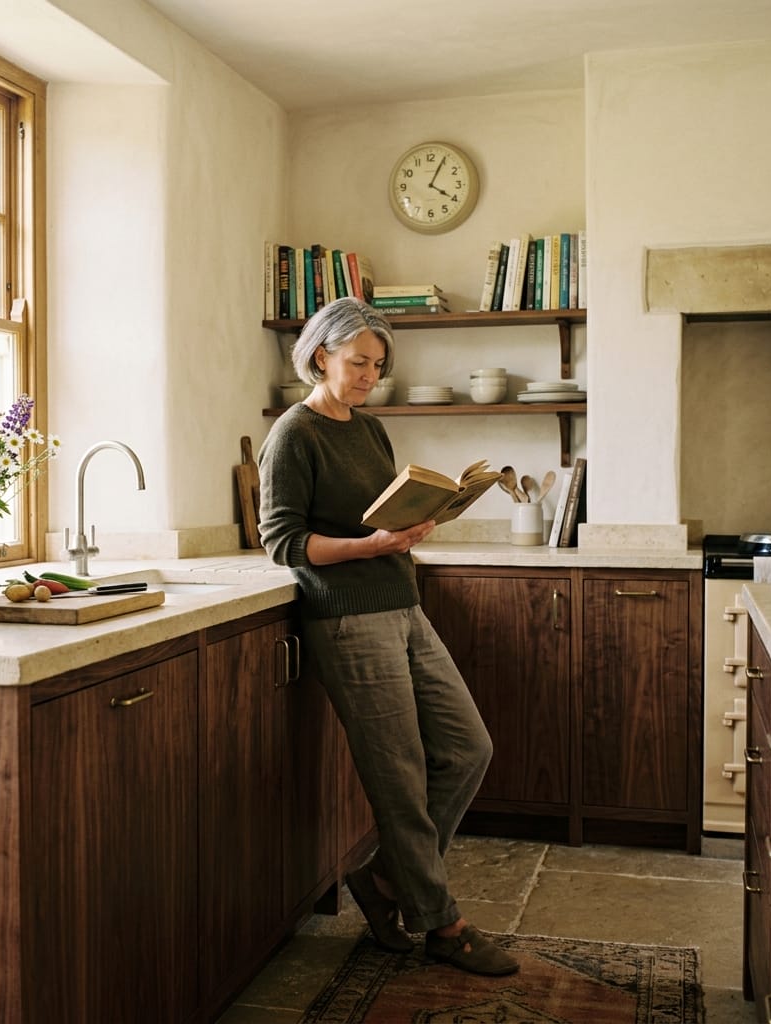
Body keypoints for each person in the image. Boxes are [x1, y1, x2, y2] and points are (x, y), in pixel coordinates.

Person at [258, 296, 518, 977]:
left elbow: (382, 515)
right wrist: (371, 544)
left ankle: (383, 881)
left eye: (377, 364)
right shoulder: (293, 434)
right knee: (399, 779)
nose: (369, 375)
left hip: (402, 602)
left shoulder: (369, 430)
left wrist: (417, 524)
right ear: (320, 355)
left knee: (468, 748)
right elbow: (282, 543)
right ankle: (443, 925)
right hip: (346, 617)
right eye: (357, 362)